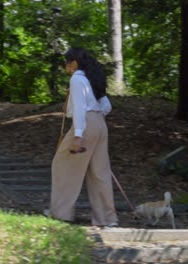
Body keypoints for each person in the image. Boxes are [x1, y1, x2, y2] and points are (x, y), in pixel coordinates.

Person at [47, 47, 118, 227]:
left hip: (85, 124)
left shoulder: (77, 79)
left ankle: (61, 212)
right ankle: (107, 219)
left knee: (61, 164)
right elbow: (106, 106)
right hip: (100, 124)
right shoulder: (91, 79)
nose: (65, 65)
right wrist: (96, 117)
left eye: (66, 61)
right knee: (99, 173)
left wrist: (78, 135)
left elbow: (79, 108)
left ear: (74, 63)